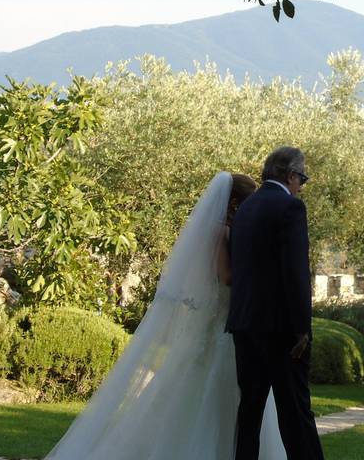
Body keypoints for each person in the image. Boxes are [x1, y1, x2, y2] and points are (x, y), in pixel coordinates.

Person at [44, 171, 287, 460]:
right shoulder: (219, 233)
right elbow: (225, 277)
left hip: (228, 323)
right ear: (236, 204)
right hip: (220, 326)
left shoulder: (230, 230)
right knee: (210, 394)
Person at [227, 146, 325, 460]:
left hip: (245, 324)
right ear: (291, 174)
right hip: (281, 329)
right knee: (295, 411)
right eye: (302, 178)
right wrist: (301, 329)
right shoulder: (290, 208)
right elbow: (295, 272)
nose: (301, 186)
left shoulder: (246, 208)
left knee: (250, 412)